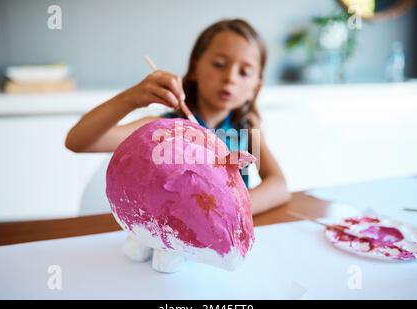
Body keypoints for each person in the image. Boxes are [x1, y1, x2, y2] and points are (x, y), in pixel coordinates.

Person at [65, 19, 291, 215]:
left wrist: (228, 208)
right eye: (219, 64)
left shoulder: (247, 128)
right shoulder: (164, 128)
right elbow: (79, 141)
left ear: (255, 87)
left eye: (244, 72)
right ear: (194, 68)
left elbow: (279, 186)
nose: (230, 78)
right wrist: (132, 98)